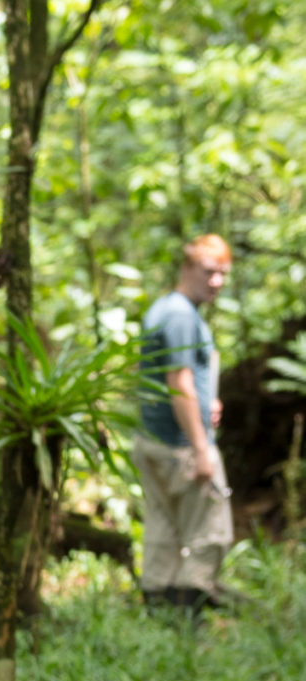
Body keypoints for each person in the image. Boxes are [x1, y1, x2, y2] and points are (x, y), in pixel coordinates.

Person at [134, 234, 235, 611]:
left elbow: (171, 376)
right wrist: (201, 449)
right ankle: (189, 615)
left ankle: (160, 612)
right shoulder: (180, 315)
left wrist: (209, 400)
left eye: (223, 274)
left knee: (163, 530)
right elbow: (179, 382)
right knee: (210, 532)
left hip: (154, 438)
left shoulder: (164, 309)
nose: (216, 282)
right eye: (209, 272)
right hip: (180, 445)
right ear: (187, 267)